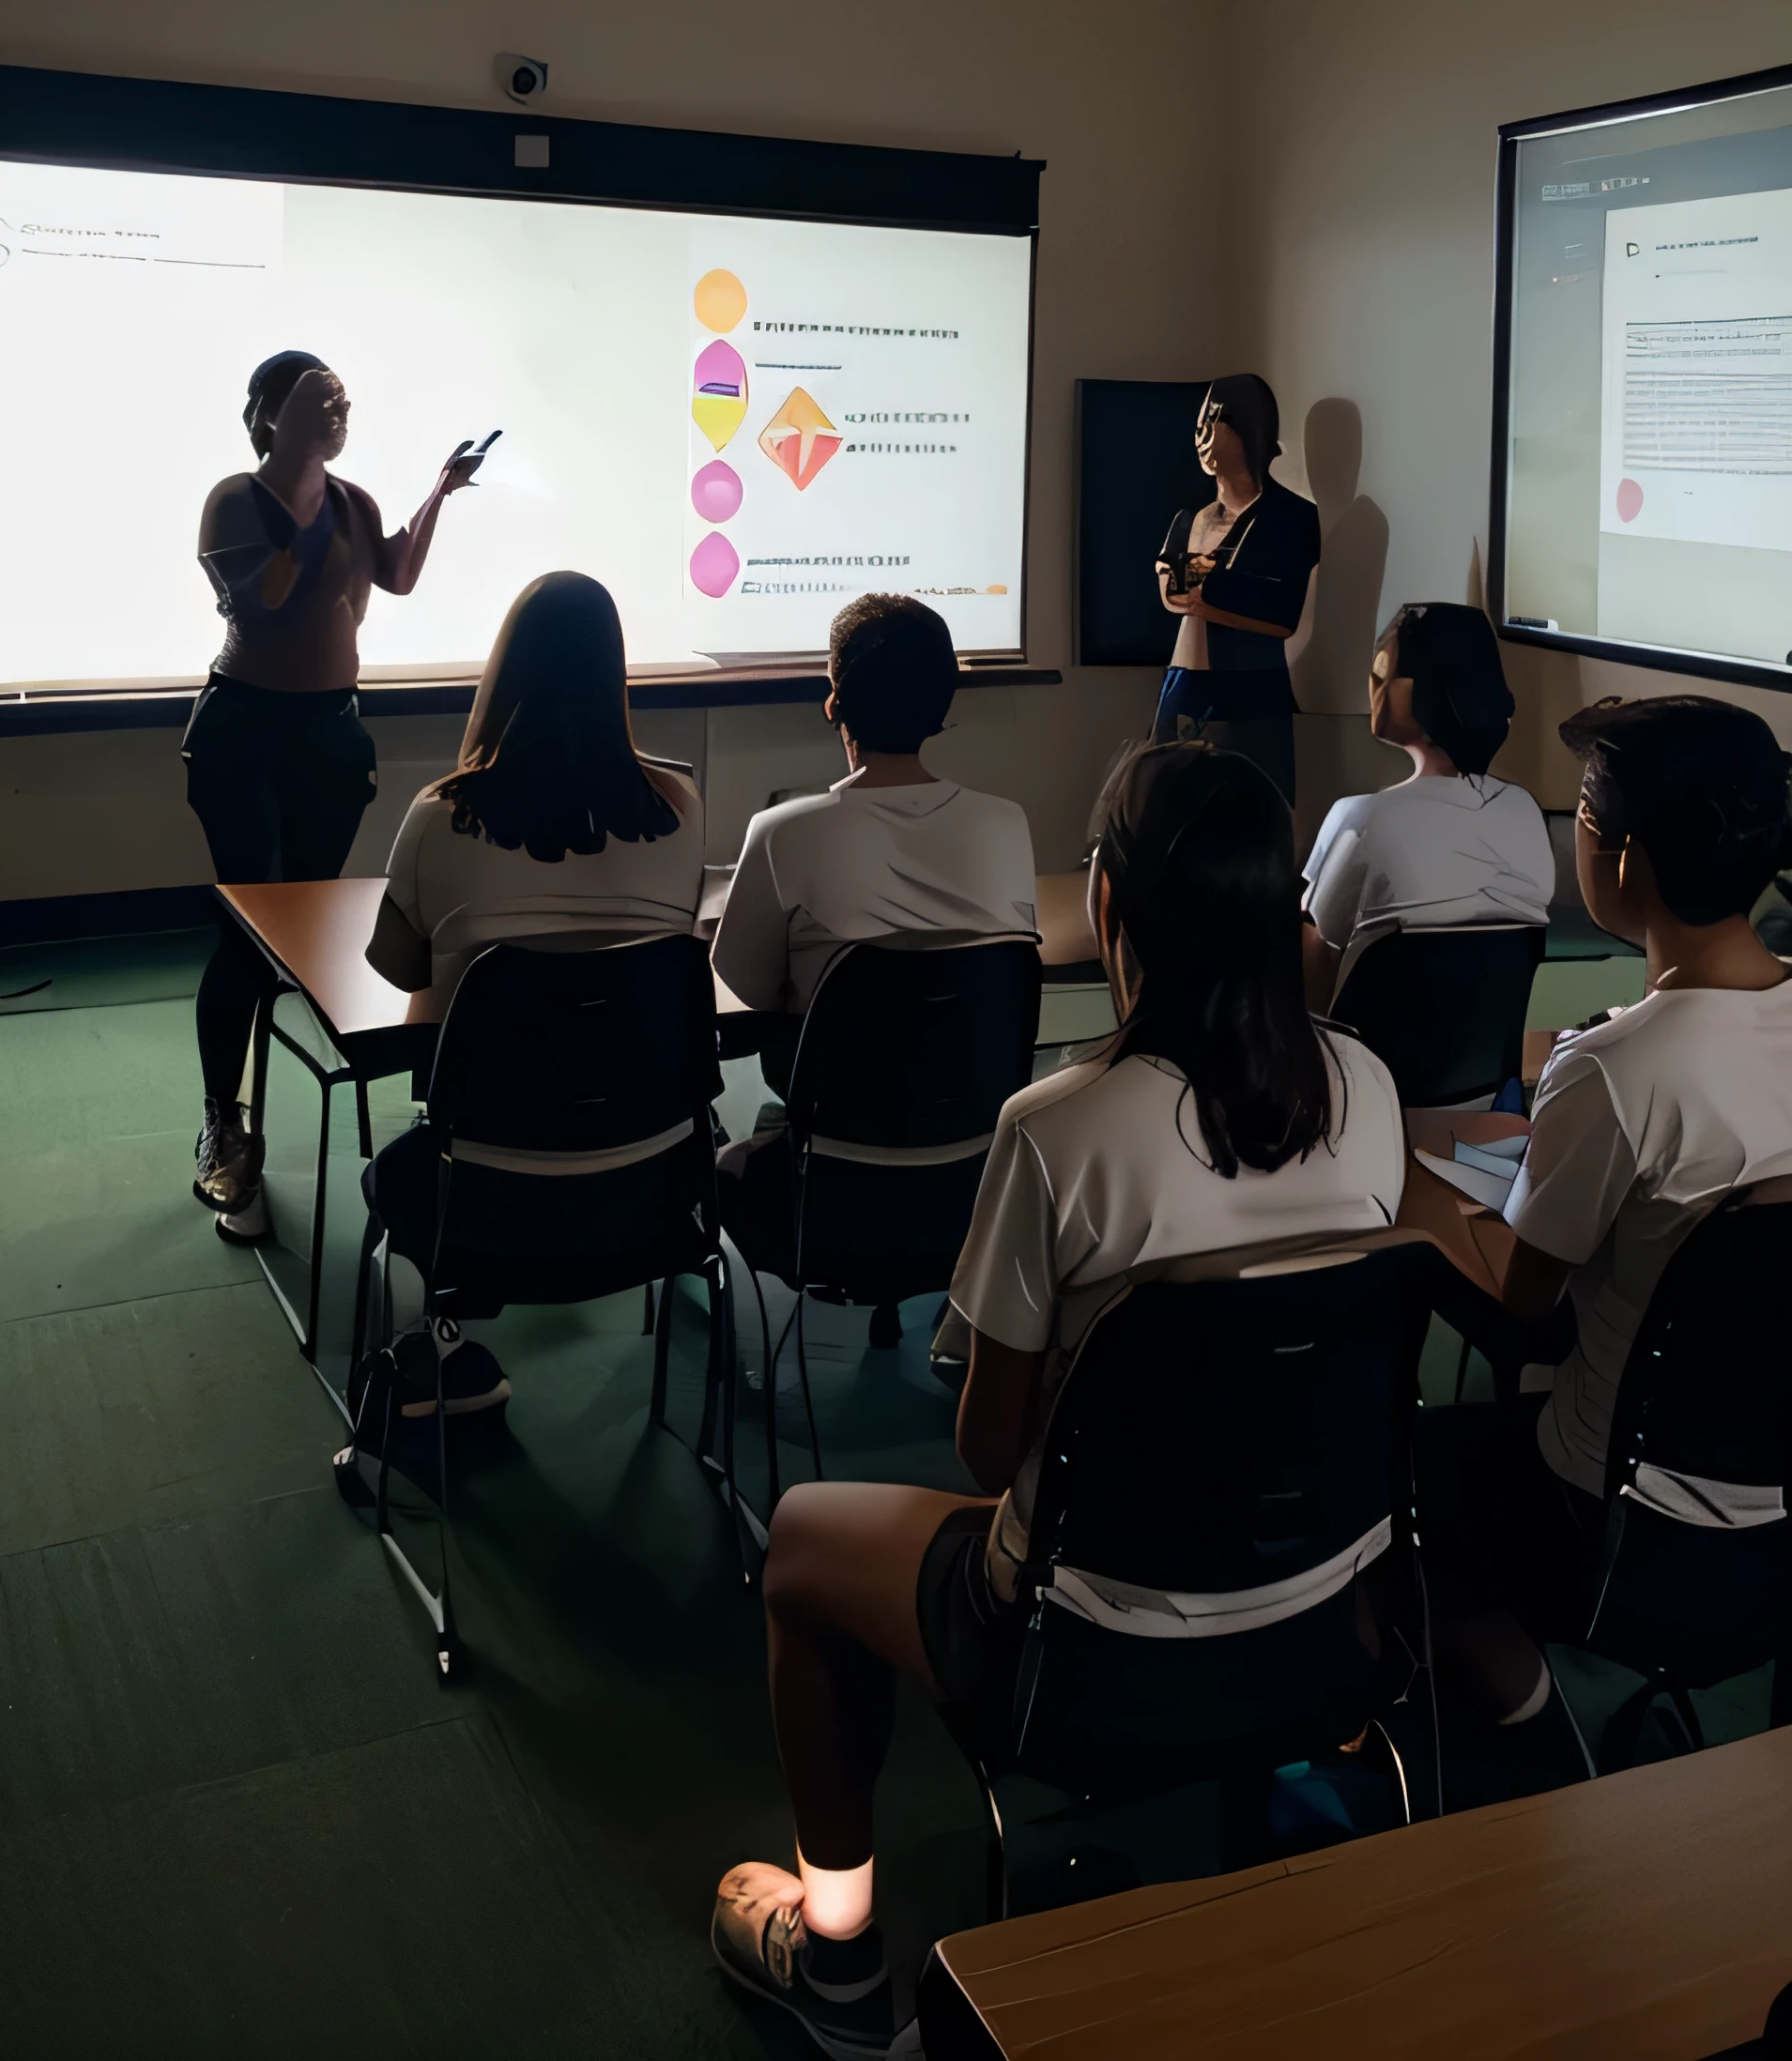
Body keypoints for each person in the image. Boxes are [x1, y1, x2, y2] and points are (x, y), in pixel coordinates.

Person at [711, 739, 1404, 2053]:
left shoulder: (1057, 1127)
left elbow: (988, 1448)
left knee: (803, 1538)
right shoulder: (1367, 1089)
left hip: (1079, 1648)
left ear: (1106, 904)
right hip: (1326, 1616)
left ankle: (839, 1948)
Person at [1417, 695, 1792, 1734]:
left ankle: (1527, 1730)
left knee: (1393, 1477)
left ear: (1621, 864)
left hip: (1614, 1523)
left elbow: (1524, 1291)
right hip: (1776, 1517)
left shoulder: (1613, 1069)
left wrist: (1423, 1200)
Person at [360, 571, 705, 1417]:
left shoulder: (440, 814)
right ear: (616, 676)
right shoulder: (682, 807)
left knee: (389, 1175)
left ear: (502, 676)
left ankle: (435, 1357)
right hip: (656, 1188)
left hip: (481, 1196)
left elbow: (400, 970)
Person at [186, 351, 482, 1234]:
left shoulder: (356, 501)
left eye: (344, 400)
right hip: (244, 731)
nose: (337, 410)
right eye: (319, 399)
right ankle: (222, 1121)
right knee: (249, 929)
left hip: (327, 734)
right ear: (270, 414)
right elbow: (265, 604)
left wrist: (437, 492)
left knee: (301, 930)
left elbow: (395, 575)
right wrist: (306, 487)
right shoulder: (236, 500)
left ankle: (280, 1089)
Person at [709, 593, 1036, 1266]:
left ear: (834, 703)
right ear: (944, 706)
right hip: (979, 1184)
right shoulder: (1007, 824)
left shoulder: (781, 833)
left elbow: (747, 986)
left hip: (822, 1186)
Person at [1301, 602, 1554, 1010]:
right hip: (1475, 1070)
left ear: (1422, 690)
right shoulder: (1525, 811)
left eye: (1384, 666)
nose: (1374, 681)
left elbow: (1315, 972)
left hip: (1357, 1062)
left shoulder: (1361, 819)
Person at [1155, 374, 1321, 806]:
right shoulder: (1192, 518)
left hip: (1253, 693)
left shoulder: (1294, 516)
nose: (1200, 439)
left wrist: (1200, 585)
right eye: (1196, 428)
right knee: (1170, 813)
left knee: (1250, 820)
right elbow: (1174, 595)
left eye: (1211, 425)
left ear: (1249, 425)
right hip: (1184, 685)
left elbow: (1280, 615)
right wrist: (1212, 587)